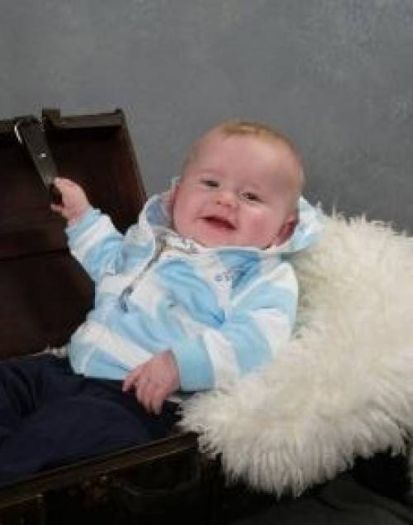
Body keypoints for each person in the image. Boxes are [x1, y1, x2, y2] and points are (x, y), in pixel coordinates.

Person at [0, 120, 322, 484]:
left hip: (134, 399)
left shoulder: (261, 276)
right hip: (67, 368)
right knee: (8, 382)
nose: (225, 199)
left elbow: (255, 340)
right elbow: (111, 262)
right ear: (176, 195)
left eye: (251, 196)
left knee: (67, 430)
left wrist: (180, 364)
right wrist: (81, 217)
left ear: (284, 228)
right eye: (210, 183)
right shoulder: (153, 241)